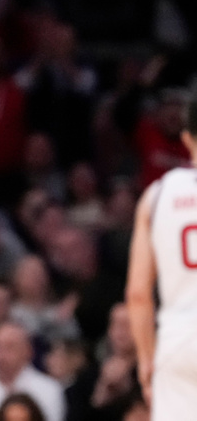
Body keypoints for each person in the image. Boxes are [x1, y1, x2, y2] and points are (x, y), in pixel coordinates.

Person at [125, 86, 197, 421]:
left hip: (179, 337)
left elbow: (139, 294)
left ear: (187, 138)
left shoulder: (157, 194)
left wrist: (146, 358)